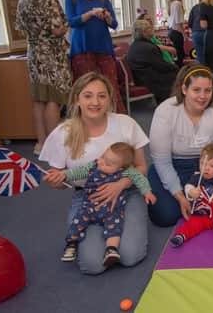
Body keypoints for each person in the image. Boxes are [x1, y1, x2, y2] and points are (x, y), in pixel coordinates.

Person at [41, 72, 149, 275]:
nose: (95, 102)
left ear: (109, 99)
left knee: (129, 256)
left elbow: (142, 167)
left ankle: (120, 228)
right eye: (88, 96)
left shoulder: (125, 124)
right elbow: (60, 180)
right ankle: (103, 232)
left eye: (101, 96)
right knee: (92, 265)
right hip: (87, 197)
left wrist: (120, 185)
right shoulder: (63, 132)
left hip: (127, 194)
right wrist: (56, 180)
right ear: (77, 99)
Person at [147, 65, 213, 227]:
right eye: (196, 90)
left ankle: (195, 200)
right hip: (172, 164)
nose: (203, 96)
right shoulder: (165, 111)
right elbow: (161, 160)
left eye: (208, 90)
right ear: (184, 89)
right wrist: (179, 195)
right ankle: (185, 199)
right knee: (165, 216)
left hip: (208, 165)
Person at [47, 142, 156, 267]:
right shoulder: (94, 165)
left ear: (121, 168)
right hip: (89, 206)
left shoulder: (127, 172)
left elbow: (139, 178)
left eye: (108, 164)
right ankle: (71, 244)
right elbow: (77, 172)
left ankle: (111, 249)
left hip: (112, 209)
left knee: (114, 227)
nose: (102, 163)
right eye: (103, 157)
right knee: (78, 222)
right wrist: (63, 175)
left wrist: (147, 192)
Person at [15, 0, 72, 155]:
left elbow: (21, 28)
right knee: (53, 100)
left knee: (38, 99)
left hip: (34, 54)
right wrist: (65, 28)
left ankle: (41, 143)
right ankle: (54, 146)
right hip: (51, 55)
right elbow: (57, 29)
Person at [65, 0, 125, 113]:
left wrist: (107, 17)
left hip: (104, 48)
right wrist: (90, 14)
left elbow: (114, 24)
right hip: (82, 49)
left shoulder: (104, 0)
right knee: (85, 87)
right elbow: (71, 22)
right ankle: (85, 122)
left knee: (110, 86)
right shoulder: (72, 0)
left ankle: (116, 120)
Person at [127, 19, 178, 103]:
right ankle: (170, 104)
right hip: (148, 79)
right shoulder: (148, 47)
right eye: (150, 28)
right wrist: (175, 67)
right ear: (144, 32)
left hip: (140, 77)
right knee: (176, 75)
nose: (152, 29)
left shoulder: (134, 45)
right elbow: (161, 66)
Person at [166, 0, 185, 67]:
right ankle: (179, 75)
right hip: (176, 31)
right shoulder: (178, 3)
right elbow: (179, 21)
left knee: (177, 56)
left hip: (171, 30)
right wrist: (184, 34)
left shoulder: (171, 3)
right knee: (180, 56)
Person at [187, 0, 206, 65]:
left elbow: (190, 23)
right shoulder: (211, 7)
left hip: (196, 34)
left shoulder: (194, 8)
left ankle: (202, 73)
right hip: (206, 33)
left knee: (200, 57)